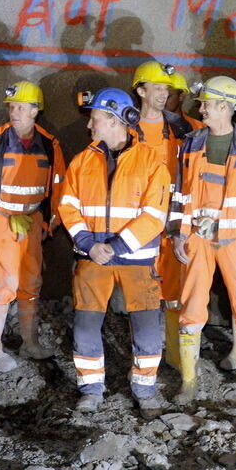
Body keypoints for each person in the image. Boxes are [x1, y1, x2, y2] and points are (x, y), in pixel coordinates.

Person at [58, 88, 171, 417]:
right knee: (85, 327)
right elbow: (67, 206)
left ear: (114, 120)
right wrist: (90, 245)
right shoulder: (82, 161)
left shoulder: (152, 162)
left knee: (148, 330)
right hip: (93, 258)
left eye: (95, 120)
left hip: (137, 260)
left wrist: (116, 246)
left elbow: (155, 215)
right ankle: (91, 390)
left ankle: (146, 391)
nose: (89, 126)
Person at [168, 76, 236, 404]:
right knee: (191, 307)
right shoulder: (191, 143)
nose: (200, 109)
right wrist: (178, 234)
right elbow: (179, 192)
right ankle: (188, 382)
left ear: (225, 107)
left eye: (206, 104)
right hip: (198, 240)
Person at [0, 81, 65, 372]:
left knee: (31, 281)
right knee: (2, 282)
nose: (15, 112)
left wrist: (50, 221)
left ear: (36, 110)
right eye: (12, 107)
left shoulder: (49, 144)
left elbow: (58, 186)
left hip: (31, 220)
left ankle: (29, 343)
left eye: (22, 107)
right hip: (1, 219)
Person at [131, 60, 196, 369]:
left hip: (172, 217)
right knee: (142, 288)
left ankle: (172, 354)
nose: (163, 94)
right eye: (157, 88)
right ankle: (145, 356)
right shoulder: (126, 127)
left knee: (172, 288)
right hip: (136, 220)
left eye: (166, 89)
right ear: (141, 91)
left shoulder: (186, 128)